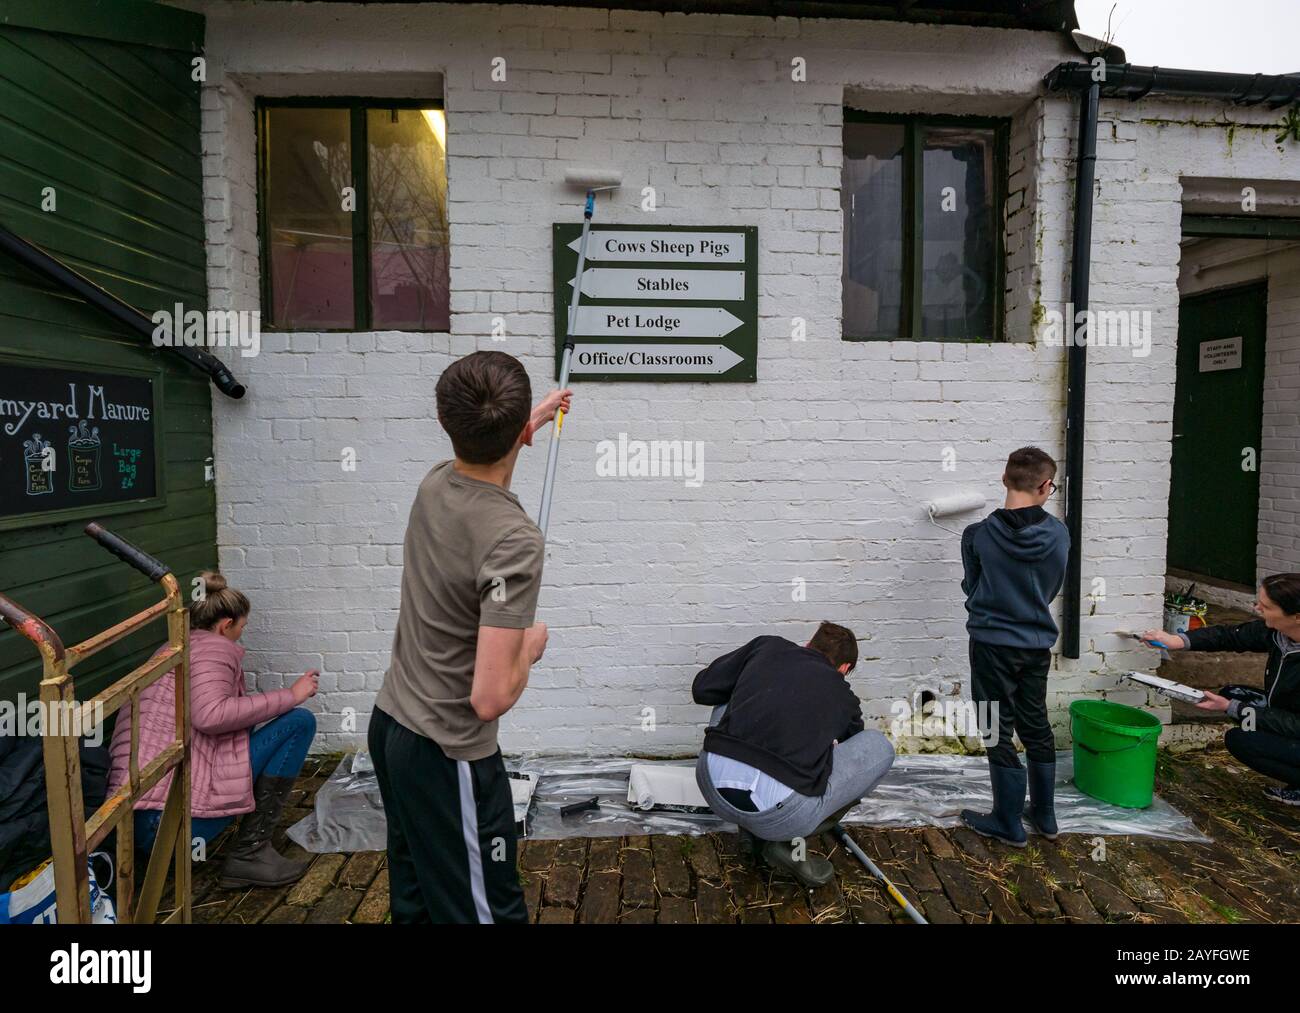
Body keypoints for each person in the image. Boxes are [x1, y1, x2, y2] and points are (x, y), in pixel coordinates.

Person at [369, 350, 570, 923]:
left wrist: (530, 420)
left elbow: (484, 457)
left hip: (391, 728)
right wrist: (529, 647)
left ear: (444, 423)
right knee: (485, 911)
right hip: (447, 753)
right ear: (514, 437)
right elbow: (489, 698)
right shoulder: (513, 540)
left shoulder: (436, 483)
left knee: (418, 898)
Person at [106, 572, 319, 888]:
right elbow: (211, 715)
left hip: (133, 822)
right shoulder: (213, 650)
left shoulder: (175, 648)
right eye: (242, 628)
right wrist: (292, 695)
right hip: (168, 826)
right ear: (225, 625)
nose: (240, 635)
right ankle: (250, 853)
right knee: (299, 722)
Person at [693, 622, 896, 889]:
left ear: (808, 644)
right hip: (782, 817)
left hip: (712, 786)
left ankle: (750, 832)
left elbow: (703, 689)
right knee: (879, 746)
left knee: (732, 686)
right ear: (845, 669)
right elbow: (847, 749)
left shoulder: (767, 646)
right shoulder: (843, 696)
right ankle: (786, 845)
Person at [958, 447, 1070, 847]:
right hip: (1035, 644)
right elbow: (1051, 588)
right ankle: (1045, 815)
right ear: (1044, 486)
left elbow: (972, 587)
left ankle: (1007, 820)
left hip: (990, 644)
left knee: (994, 727)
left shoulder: (978, 535)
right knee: (1035, 723)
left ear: (1005, 480)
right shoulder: (1059, 534)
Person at [1142, 573, 1300, 805]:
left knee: (1242, 741)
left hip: (1295, 724)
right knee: (1233, 695)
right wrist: (1177, 641)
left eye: (1266, 606)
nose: (1257, 608)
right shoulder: (1279, 634)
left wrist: (1232, 708)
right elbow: (1230, 636)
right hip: (1286, 713)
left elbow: (1295, 725)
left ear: (1296, 616)